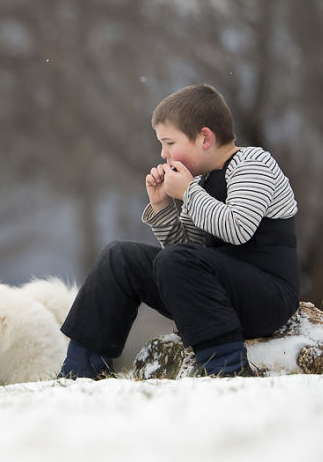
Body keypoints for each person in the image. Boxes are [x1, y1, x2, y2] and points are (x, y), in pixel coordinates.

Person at [58, 84, 300, 378]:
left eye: (169, 143)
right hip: (218, 295)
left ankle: (227, 369)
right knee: (118, 256)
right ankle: (79, 370)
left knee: (177, 260)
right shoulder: (200, 182)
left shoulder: (253, 163)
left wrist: (188, 192)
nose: (163, 153)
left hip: (267, 298)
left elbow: (239, 228)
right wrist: (162, 207)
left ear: (205, 138)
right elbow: (185, 253)